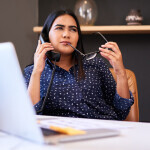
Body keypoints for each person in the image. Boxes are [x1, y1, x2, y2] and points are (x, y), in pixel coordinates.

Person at [24, 9, 134, 120]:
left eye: (73, 29)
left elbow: (122, 111)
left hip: (105, 129)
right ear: (45, 36)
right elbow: (29, 117)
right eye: (59, 28)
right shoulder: (32, 72)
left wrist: (120, 72)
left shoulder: (96, 65)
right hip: (64, 134)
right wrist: (37, 72)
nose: (66, 34)